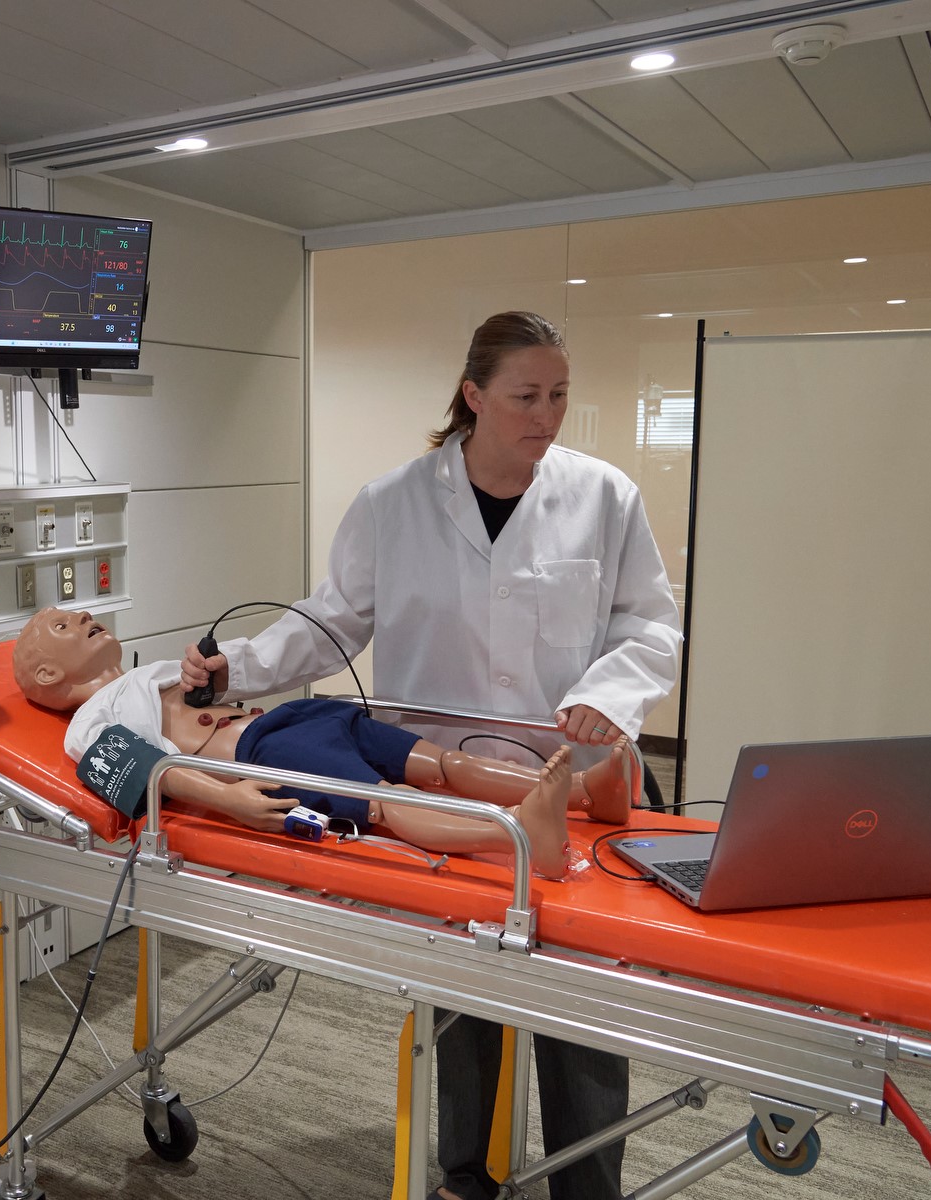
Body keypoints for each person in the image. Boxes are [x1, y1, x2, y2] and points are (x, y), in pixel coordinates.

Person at [180, 311, 681, 1200]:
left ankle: (588, 1186)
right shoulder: (394, 503)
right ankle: (467, 1176)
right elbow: (331, 622)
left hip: (567, 779)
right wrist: (236, 672)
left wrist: (609, 693)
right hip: (447, 790)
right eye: (526, 395)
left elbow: (648, 625)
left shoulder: (605, 497)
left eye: (559, 394)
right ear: (474, 395)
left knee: (584, 1002)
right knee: (466, 986)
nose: (547, 414)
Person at [10, 607, 636, 876]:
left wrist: (212, 675)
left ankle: (585, 793)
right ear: (46, 675)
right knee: (383, 801)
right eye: (64, 626)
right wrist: (231, 803)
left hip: (300, 719)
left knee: (440, 761)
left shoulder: (145, 674)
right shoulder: (88, 724)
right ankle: (522, 836)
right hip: (264, 752)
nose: (84, 617)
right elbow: (152, 773)